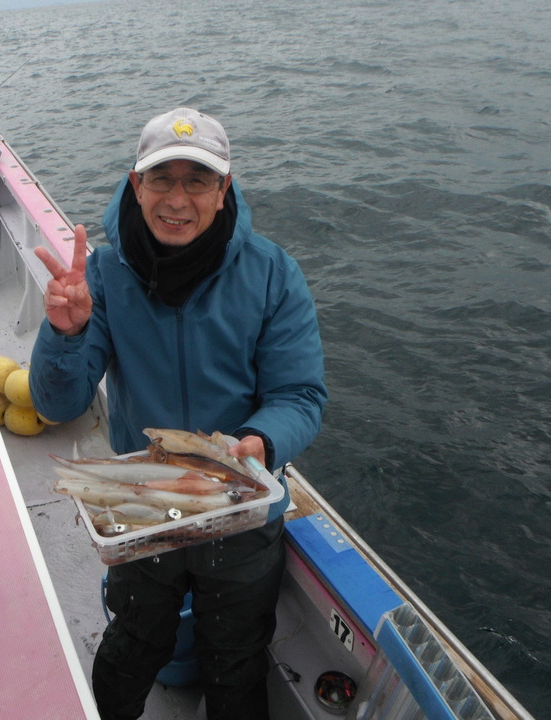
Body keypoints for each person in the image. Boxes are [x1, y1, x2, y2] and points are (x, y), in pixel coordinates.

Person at [29, 108, 327, 719]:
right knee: (135, 640)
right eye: (162, 178)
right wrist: (65, 333)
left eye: (198, 180)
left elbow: (299, 395)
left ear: (224, 189)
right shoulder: (101, 276)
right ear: (136, 185)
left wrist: (260, 441)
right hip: (143, 508)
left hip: (242, 501)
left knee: (236, 659)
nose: (177, 199)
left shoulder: (273, 273)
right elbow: (58, 404)